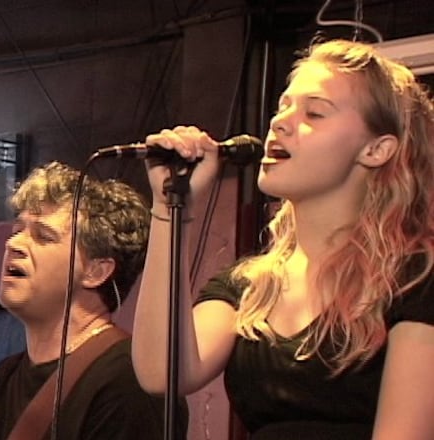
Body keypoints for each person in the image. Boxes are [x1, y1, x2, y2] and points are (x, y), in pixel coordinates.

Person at [131, 38, 434, 439]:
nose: (280, 122)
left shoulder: (415, 280)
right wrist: (172, 208)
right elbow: (161, 372)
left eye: (315, 112)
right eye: (283, 107)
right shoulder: (249, 286)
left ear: (376, 149)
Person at [0, 161, 184, 439]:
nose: (14, 244)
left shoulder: (132, 379)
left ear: (97, 271)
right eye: (17, 230)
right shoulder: (3, 379)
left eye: (43, 236)